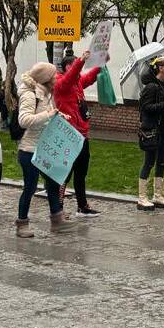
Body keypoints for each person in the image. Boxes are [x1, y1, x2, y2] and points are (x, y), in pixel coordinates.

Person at [15, 62, 69, 234]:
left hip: (44, 147)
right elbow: (24, 120)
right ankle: (22, 224)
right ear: (45, 79)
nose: (56, 78)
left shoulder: (46, 94)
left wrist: (59, 116)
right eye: (53, 76)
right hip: (29, 149)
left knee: (53, 183)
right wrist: (49, 115)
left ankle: (57, 220)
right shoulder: (30, 95)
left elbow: (49, 114)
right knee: (30, 187)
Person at [54, 51, 102, 217]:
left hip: (82, 134)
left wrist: (100, 63)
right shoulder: (61, 83)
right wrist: (81, 60)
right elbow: (71, 76)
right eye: (75, 65)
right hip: (69, 134)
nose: (79, 70)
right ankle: (57, 207)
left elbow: (88, 78)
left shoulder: (77, 83)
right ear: (68, 66)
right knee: (64, 173)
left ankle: (82, 206)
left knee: (81, 172)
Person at [137, 57, 164, 212]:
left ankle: (158, 195)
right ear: (160, 68)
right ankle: (142, 197)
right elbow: (145, 107)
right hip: (153, 130)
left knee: (161, 162)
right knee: (149, 162)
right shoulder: (151, 87)